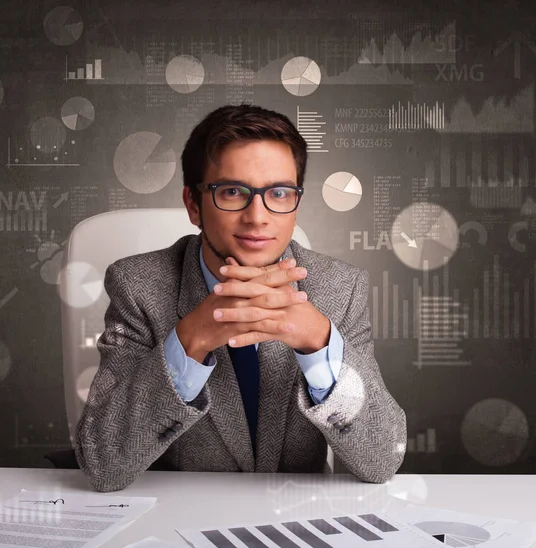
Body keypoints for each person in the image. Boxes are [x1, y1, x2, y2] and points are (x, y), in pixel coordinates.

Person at [75, 104, 407, 493]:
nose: (258, 216)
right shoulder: (138, 286)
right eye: (232, 192)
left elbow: (382, 459)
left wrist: (319, 343)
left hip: (295, 522)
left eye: (279, 193)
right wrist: (189, 342)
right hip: (178, 522)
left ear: (295, 204)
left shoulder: (340, 287)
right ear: (193, 204)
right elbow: (102, 464)